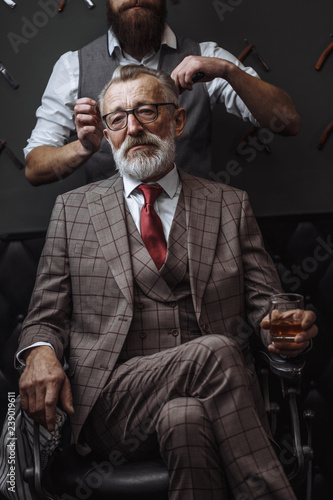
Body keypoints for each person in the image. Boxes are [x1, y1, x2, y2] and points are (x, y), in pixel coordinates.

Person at [17, 65, 316, 500]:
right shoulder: (73, 210)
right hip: (114, 402)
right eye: (117, 119)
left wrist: (286, 329)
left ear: (177, 120)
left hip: (217, 405)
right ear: (107, 132)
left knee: (186, 419)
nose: (132, 127)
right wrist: (41, 352)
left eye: (145, 111)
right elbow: (44, 316)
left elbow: (268, 307)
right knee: (216, 350)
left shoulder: (230, 205)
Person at [24, 0, 301, 186]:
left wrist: (229, 70)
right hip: (110, 238)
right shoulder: (73, 67)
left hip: (196, 230)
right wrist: (83, 148)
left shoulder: (206, 56)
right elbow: (35, 170)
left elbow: (287, 122)